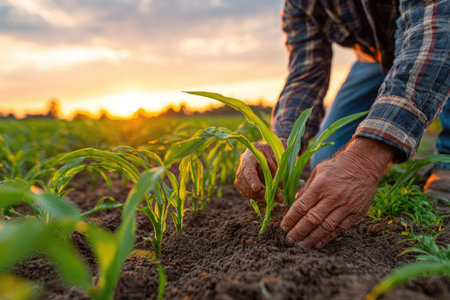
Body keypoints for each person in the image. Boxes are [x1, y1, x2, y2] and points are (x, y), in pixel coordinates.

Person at [234, 0, 449, 249]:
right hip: (375, 59)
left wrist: (366, 159)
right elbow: (305, 74)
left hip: (436, 38)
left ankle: (446, 158)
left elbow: (436, 39)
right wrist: (281, 142)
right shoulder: (300, 4)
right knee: (327, 155)